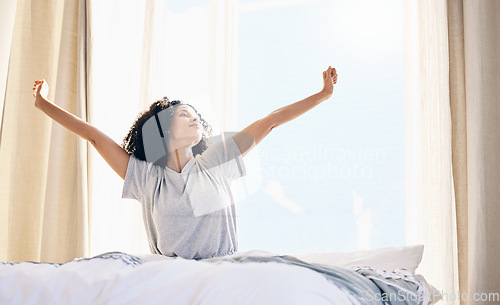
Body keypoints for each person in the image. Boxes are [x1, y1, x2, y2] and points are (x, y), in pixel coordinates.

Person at [32, 66, 338, 259]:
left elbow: (270, 121)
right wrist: (43, 103)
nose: (195, 119)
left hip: (224, 270)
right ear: (162, 130)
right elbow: (94, 136)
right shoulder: (147, 177)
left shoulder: (216, 160)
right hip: (172, 277)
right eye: (184, 115)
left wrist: (322, 95)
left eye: (196, 116)